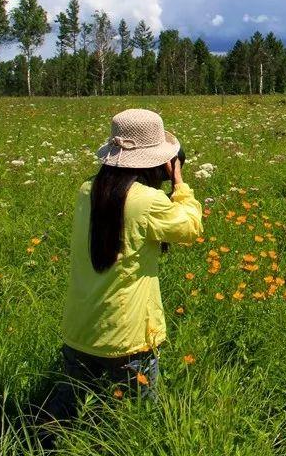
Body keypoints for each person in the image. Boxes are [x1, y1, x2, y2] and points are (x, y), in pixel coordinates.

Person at [42, 108, 203, 424]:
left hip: (81, 329)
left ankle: (40, 444)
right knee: (140, 419)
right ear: (158, 162)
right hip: (128, 336)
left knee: (66, 412)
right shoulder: (147, 200)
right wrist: (179, 183)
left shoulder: (88, 190)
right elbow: (191, 227)